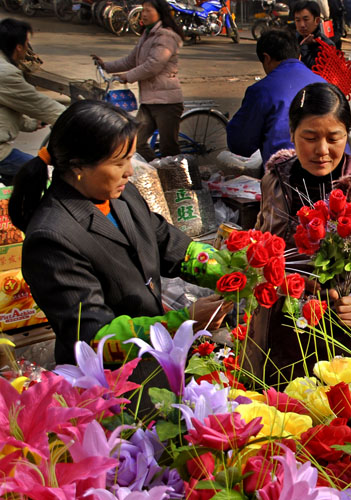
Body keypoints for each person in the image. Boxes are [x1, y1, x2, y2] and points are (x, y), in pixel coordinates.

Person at [9, 100, 232, 366]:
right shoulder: (52, 238)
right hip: (110, 379)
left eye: (130, 159)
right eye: (119, 162)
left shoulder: (123, 196)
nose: (130, 171)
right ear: (78, 166)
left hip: (157, 358)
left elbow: (170, 245)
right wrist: (182, 324)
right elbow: (94, 338)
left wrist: (233, 273)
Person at [249, 82, 351, 383]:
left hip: (336, 335)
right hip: (275, 332)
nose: (322, 150)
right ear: (292, 134)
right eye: (309, 137)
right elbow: (261, 236)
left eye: (334, 138)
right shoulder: (275, 180)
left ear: (348, 134)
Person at [91, 0, 184, 161]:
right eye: (143, 11)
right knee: (136, 142)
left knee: (168, 147)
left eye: (148, 11)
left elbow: (153, 65)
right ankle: (155, 172)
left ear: (159, 13)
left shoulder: (166, 36)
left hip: (166, 102)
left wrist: (128, 76)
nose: (144, 14)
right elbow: (130, 60)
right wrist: (106, 66)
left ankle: (181, 181)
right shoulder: (147, 35)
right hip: (149, 101)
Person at [226, 30, 325, 165]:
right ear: (299, 56)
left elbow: (240, 144)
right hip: (333, 172)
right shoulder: (324, 83)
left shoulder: (262, 90)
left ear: (266, 58)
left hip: (287, 173)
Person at [0, 19, 65, 186]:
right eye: (27, 43)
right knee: (38, 170)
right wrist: (78, 118)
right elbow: (39, 104)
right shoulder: (6, 73)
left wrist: (31, 124)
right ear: (19, 47)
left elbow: (9, 108)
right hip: (1, 152)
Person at [293, 0, 334, 69]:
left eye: (306, 20)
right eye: (298, 20)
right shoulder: (291, 41)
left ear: (317, 21)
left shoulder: (326, 45)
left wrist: (305, 47)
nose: (302, 25)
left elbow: (314, 71)